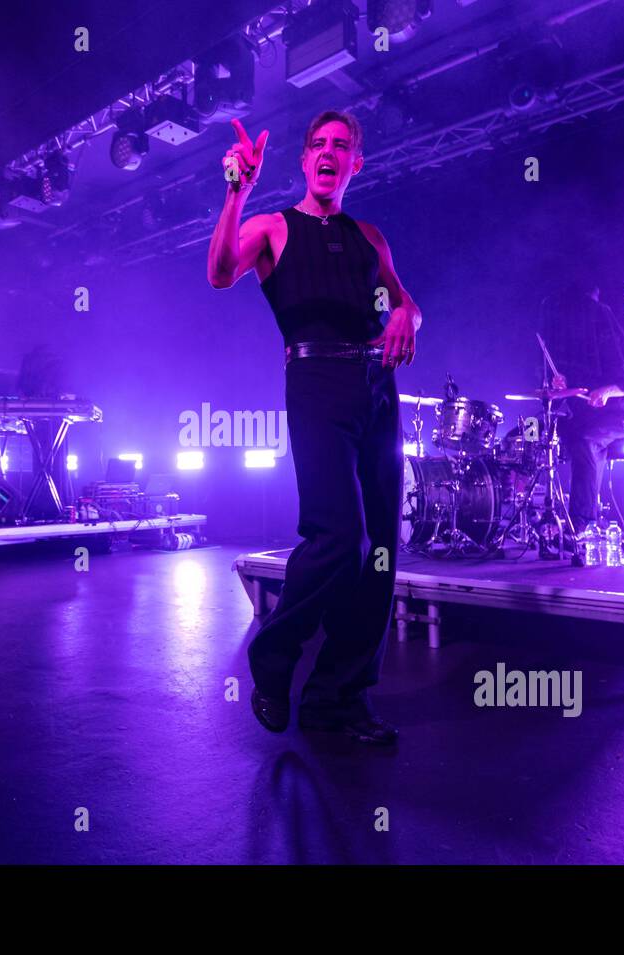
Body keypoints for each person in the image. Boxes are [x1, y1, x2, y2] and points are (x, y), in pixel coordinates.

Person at [207, 110, 421, 745]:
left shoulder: (370, 236)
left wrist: (410, 313)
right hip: (316, 385)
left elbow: (402, 304)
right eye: (318, 145)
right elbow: (220, 273)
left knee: (381, 549)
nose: (329, 153)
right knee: (340, 536)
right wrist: (236, 191)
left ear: (356, 163)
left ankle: (338, 698)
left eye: (342, 146)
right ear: (304, 161)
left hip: (378, 390)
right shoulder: (274, 227)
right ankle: (274, 660)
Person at [539, 281, 624, 535]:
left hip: (614, 417)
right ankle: (530, 518)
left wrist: (606, 391)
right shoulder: (565, 338)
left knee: (586, 443)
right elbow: (563, 388)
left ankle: (581, 525)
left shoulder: (603, 322)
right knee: (531, 437)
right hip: (577, 417)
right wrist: (559, 383)